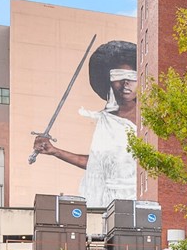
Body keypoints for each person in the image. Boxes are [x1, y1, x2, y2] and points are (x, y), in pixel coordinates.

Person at [28, 40, 140, 210]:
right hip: (111, 201)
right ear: (108, 80)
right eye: (118, 76)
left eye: (132, 77)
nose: (126, 83)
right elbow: (95, 164)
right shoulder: (106, 121)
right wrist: (55, 151)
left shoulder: (154, 118)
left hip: (145, 199)